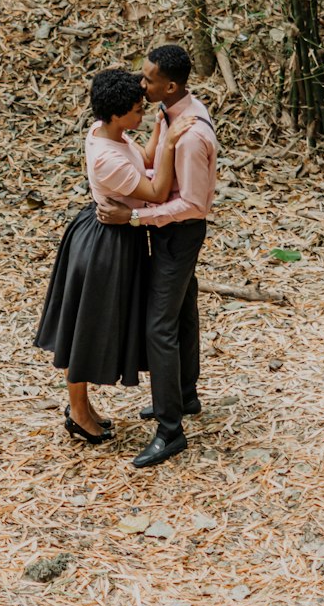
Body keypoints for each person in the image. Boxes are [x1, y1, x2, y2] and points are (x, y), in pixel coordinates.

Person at [34, 68, 196, 444]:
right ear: (117, 113)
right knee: (86, 326)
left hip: (114, 236)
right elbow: (154, 192)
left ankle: (83, 407)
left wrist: (160, 127)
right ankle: (77, 411)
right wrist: (171, 144)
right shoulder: (107, 156)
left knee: (89, 323)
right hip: (105, 244)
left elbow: (145, 159)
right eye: (138, 110)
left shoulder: (110, 133)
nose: (142, 114)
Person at [96, 44, 217, 468]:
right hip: (170, 231)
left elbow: (194, 204)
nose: (140, 84)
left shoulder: (191, 133)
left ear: (169, 85)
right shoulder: (169, 114)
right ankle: (184, 394)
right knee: (183, 310)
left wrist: (134, 217)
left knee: (158, 328)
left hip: (180, 232)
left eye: (147, 79)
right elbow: (154, 170)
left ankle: (170, 431)